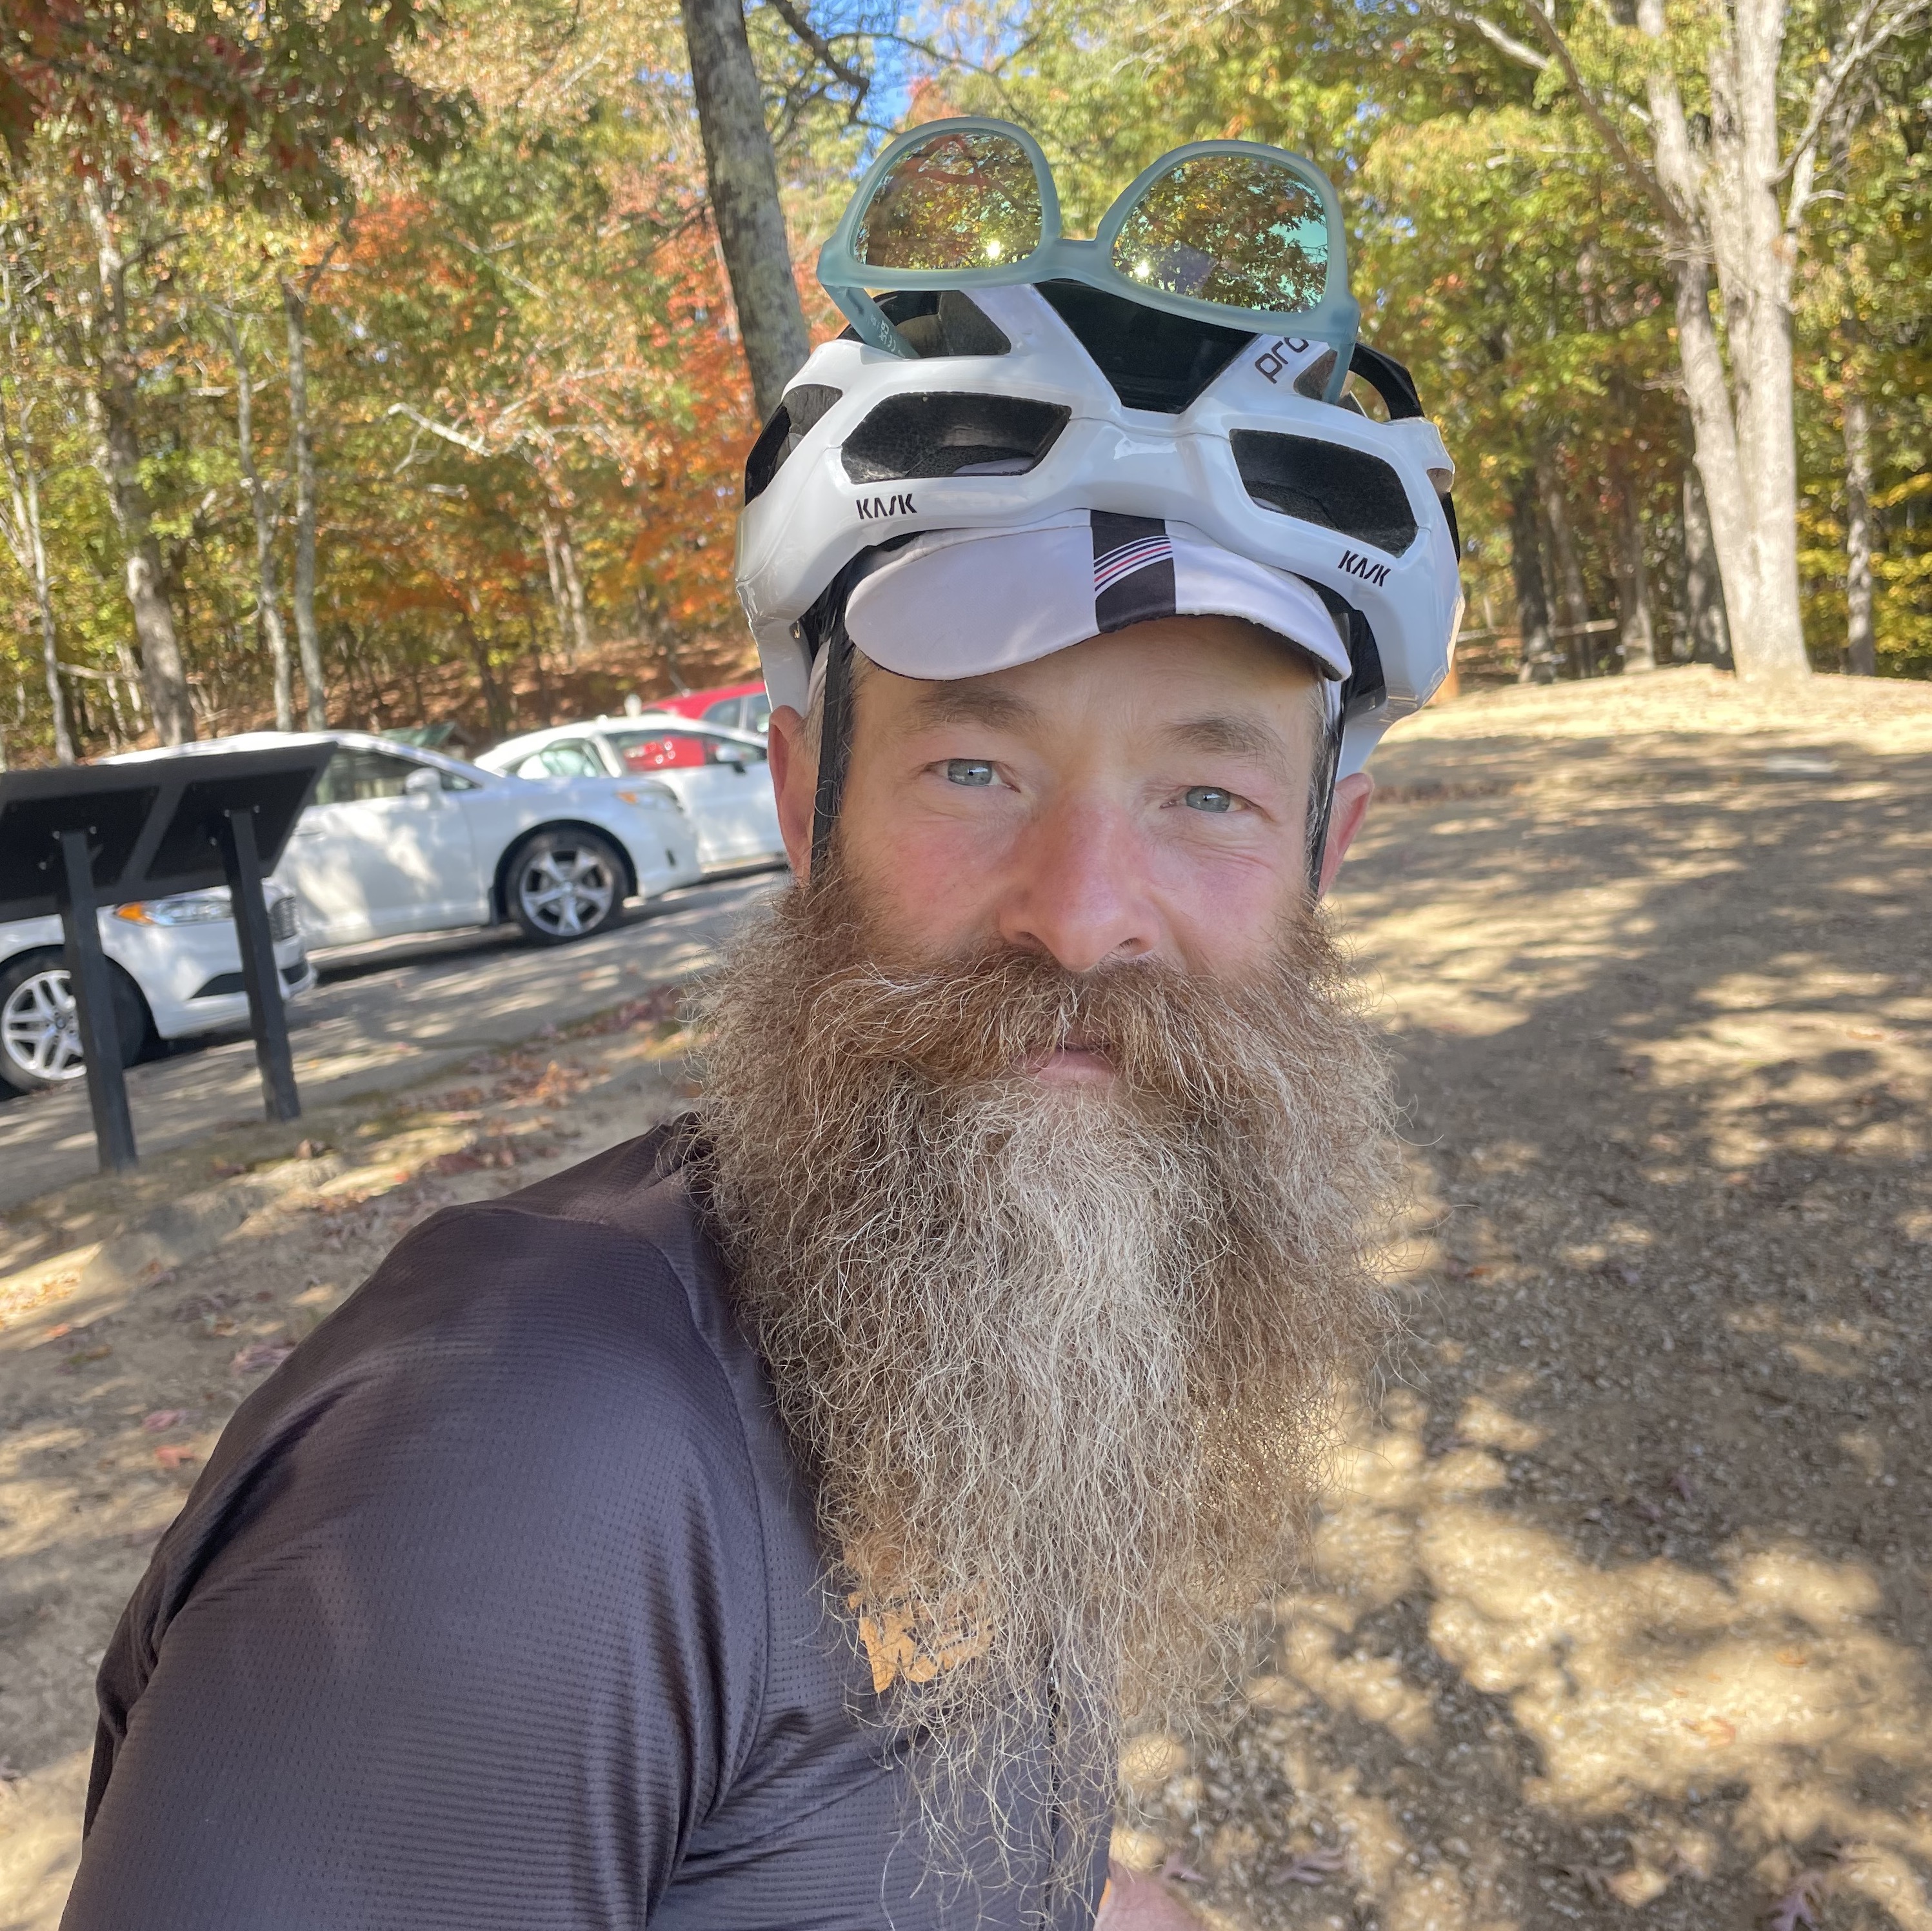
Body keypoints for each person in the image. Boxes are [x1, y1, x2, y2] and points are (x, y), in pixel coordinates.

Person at [60, 123, 1462, 1930]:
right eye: (974, 766)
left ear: (1321, 860)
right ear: (805, 803)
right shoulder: (518, 1462)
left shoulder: (976, 1303)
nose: (1081, 911)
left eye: (1208, 797)